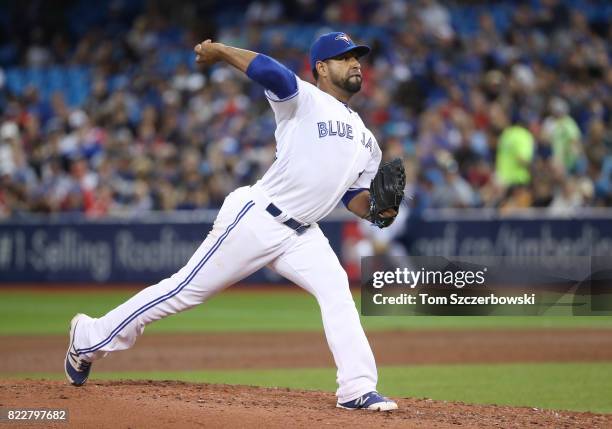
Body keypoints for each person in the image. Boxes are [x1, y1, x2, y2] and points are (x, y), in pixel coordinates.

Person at [65, 32, 400, 412]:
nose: (355, 63)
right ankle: (89, 336)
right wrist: (222, 51)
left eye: (357, 57)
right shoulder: (304, 99)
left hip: (303, 233)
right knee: (184, 291)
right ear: (321, 68)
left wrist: (379, 208)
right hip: (258, 217)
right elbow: (271, 72)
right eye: (344, 57)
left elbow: (352, 199)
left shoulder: (368, 142)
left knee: (337, 288)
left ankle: (356, 388)